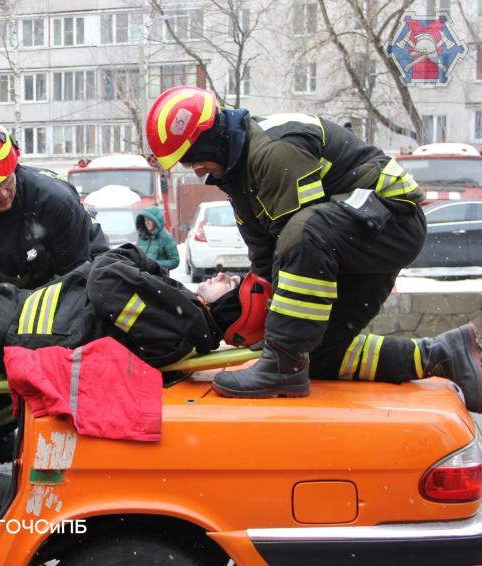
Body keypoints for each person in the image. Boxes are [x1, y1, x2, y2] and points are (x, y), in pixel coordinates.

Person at [145, 86, 482, 409]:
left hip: (391, 221)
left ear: (210, 142)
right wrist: (268, 322)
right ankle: (441, 354)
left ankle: (282, 367)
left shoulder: (273, 150)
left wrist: (278, 347)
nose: (198, 171)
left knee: (303, 233)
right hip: (356, 235)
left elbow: (296, 241)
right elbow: (265, 259)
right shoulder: (239, 179)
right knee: (318, 353)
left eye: (192, 162)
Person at [0, 120, 107, 468]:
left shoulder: (54, 199)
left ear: (15, 164)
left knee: (63, 350)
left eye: (6, 181)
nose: (1, 194)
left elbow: (76, 280)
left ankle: (70, 439)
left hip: (76, 273)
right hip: (15, 281)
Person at [0, 246, 259, 377]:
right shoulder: (182, 316)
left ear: (224, 308)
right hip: (18, 320)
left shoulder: (179, 320)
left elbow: (104, 279)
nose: (224, 274)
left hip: (14, 327)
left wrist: (139, 260)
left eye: (231, 283)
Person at [135, 205, 179, 271]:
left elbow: (175, 261)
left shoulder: (166, 238)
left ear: (156, 221)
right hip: (142, 277)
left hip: (159, 278)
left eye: (150, 220)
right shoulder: (142, 236)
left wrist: (155, 264)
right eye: (145, 219)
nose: (146, 222)